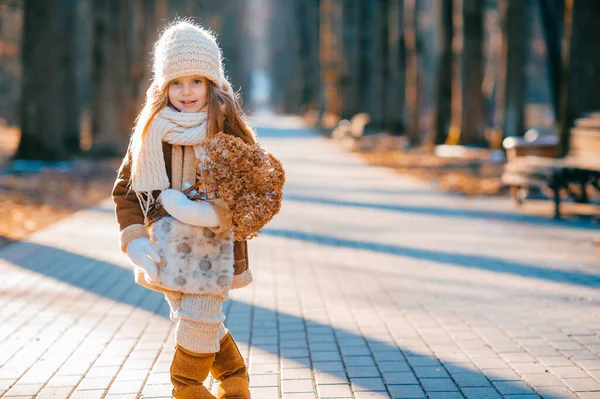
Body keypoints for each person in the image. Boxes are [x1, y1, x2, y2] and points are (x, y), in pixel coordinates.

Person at [112, 20, 255, 399]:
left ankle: (186, 386)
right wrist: (134, 241)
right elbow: (125, 191)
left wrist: (206, 213)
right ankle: (235, 379)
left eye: (196, 81)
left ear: (212, 82)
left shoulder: (228, 129)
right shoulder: (151, 132)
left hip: (217, 250)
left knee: (199, 317)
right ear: (163, 86)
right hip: (167, 250)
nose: (187, 91)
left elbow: (251, 191)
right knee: (196, 319)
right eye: (177, 82)